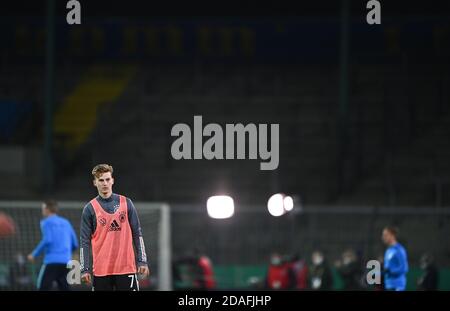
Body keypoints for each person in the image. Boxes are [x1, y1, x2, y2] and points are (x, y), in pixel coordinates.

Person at [80, 164, 149, 291]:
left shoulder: (126, 203)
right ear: (95, 182)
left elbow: (137, 234)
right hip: (101, 271)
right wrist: (85, 269)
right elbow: (84, 242)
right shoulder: (89, 209)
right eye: (101, 180)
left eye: (107, 179)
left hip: (126, 268)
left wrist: (142, 260)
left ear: (112, 180)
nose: (105, 183)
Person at [27, 200, 78, 290]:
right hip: (65, 261)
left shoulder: (46, 222)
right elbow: (75, 243)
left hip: (51, 261)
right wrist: (66, 253)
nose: (42, 210)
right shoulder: (66, 222)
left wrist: (34, 254)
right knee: (64, 287)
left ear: (47, 209)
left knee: (43, 287)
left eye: (43, 208)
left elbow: (47, 240)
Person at [381, 226, 409, 291]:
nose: (383, 237)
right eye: (383, 235)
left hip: (398, 286)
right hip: (388, 286)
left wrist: (390, 271)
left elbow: (404, 268)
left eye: (385, 235)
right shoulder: (388, 251)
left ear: (392, 236)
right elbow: (386, 270)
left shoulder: (399, 249)